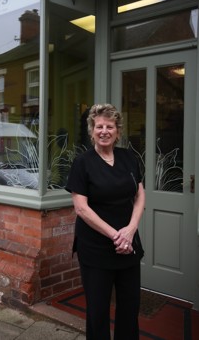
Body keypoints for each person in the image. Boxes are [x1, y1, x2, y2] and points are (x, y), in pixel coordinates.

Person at [65, 103, 145, 340]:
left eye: (109, 126)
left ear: (117, 131)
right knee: (98, 311)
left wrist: (130, 230)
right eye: (99, 126)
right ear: (92, 131)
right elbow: (81, 208)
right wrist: (116, 235)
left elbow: (140, 195)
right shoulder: (83, 163)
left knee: (130, 307)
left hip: (128, 246)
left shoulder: (129, 157)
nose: (104, 131)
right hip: (96, 248)